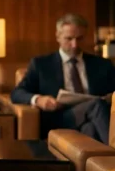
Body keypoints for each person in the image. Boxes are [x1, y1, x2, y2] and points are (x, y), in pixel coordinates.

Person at [11, 13, 114, 142]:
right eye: (69, 39)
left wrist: (109, 97)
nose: (74, 45)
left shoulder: (102, 64)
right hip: (60, 118)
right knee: (96, 105)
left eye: (79, 38)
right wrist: (39, 100)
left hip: (93, 118)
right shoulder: (41, 64)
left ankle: (104, 154)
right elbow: (17, 93)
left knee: (90, 129)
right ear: (58, 36)